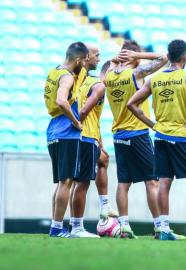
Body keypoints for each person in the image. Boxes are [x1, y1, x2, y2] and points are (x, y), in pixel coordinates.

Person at [127, 39, 186, 241]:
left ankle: (163, 229)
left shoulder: (154, 79)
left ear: (169, 56)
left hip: (161, 136)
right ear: (184, 57)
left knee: (164, 182)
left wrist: (152, 124)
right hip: (181, 137)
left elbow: (131, 103)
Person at [105, 40, 169, 239]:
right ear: (133, 56)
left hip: (119, 135)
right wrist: (139, 57)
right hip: (139, 133)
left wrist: (113, 61)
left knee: (124, 182)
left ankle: (124, 226)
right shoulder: (136, 73)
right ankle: (159, 227)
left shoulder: (108, 76)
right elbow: (164, 58)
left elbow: (102, 73)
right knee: (151, 181)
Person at [69, 46, 117, 237]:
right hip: (84, 137)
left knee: (103, 159)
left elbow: (93, 118)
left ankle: (105, 205)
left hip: (86, 137)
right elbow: (83, 114)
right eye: (97, 55)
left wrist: (100, 142)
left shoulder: (77, 80)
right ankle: (77, 227)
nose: (98, 58)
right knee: (81, 183)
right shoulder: (97, 85)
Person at [44, 42, 88, 237]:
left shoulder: (54, 71)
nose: (86, 64)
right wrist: (76, 121)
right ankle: (56, 228)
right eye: (84, 60)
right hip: (65, 132)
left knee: (62, 182)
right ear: (77, 60)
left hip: (53, 129)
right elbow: (62, 100)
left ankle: (56, 226)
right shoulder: (67, 77)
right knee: (67, 181)